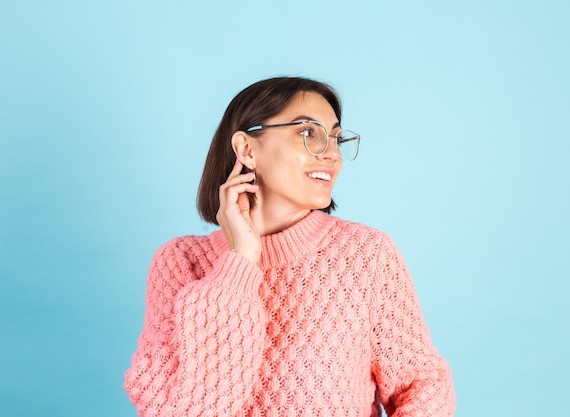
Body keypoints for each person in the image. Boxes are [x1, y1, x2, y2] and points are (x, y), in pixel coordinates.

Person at [124, 76, 455, 416]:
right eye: (308, 133)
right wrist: (240, 261)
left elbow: (423, 385)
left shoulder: (366, 255)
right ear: (247, 149)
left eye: (336, 139)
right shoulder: (181, 263)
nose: (331, 155)